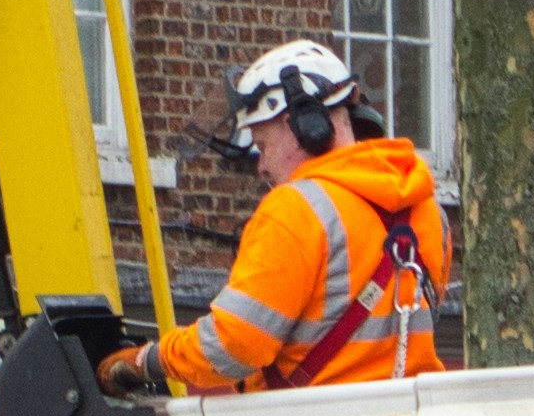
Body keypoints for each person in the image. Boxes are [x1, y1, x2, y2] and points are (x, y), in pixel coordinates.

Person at [99, 40, 449, 397]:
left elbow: (232, 347)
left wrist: (145, 361)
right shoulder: (427, 210)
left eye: (262, 145)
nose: (262, 166)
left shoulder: (296, 210)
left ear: (298, 125)